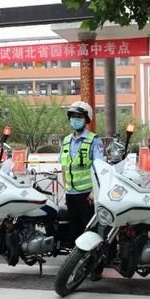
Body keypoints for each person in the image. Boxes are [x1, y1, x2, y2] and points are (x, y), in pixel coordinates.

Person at [60, 101, 104, 243]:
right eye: (72, 116)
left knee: (89, 230)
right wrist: (66, 186)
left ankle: (93, 264)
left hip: (87, 194)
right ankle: (76, 263)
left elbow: (99, 167)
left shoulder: (94, 140)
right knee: (75, 229)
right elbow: (64, 166)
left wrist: (94, 192)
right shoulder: (66, 141)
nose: (75, 119)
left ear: (86, 120)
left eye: (79, 116)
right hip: (70, 193)